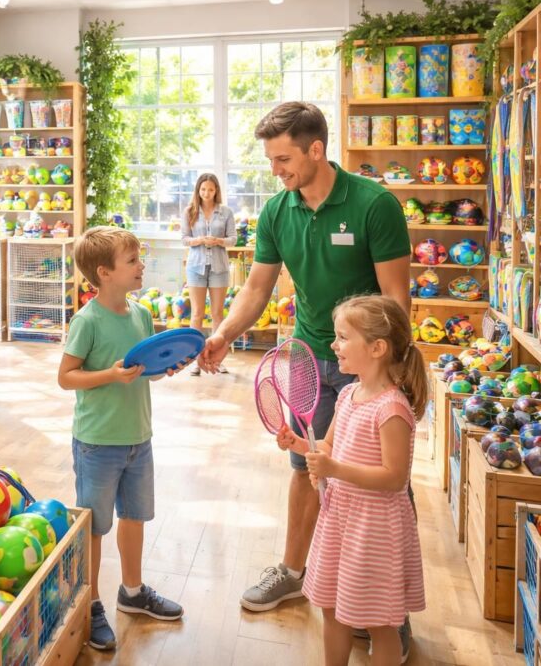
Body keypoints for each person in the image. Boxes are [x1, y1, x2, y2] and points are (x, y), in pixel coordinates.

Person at [198, 102, 411, 629]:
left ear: (316, 150)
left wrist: (387, 374)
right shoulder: (277, 212)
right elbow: (256, 288)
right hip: (309, 357)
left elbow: (396, 298)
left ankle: (389, 608)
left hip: (369, 368)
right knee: (305, 467)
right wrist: (223, 334)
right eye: (271, 160)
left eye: (284, 159)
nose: (276, 170)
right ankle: (293, 572)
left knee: (381, 480)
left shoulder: (374, 205)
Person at [57, 227, 190, 652]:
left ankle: (132, 592)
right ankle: (90, 602)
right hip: (97, 442)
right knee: (95, 526)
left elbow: (143, 369)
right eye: (131, 261)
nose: (141, 266)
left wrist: (166, 367)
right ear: (104, 272)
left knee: (135, 517)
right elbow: (66, 377)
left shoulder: (141, 315)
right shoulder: (87, 321)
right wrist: (110, 375)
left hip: (138, 436)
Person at [276, 295, 427, 664]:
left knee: (378, 622)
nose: (333, 345)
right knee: (331, 608)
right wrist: (298, 443)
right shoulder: (347, 394)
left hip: (374, 529)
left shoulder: (392, 409)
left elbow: (394, 478)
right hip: (340, 520)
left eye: (343, 338)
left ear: (377, 348)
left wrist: (335, 470)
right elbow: (329, 446)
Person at [181, 173, 236, 375]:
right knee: (196, 314)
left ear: (216, 191)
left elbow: (233, 239)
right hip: (195, 267)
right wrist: (200, 240)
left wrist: (218, 241)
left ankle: (216, 360)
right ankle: (196, 360)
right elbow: (184, 239)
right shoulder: (189, 211)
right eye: (203, 189)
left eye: (210, 190)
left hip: (219, 268)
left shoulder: (225, 212)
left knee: (217, 314)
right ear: (198, 190)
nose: (206, 193)